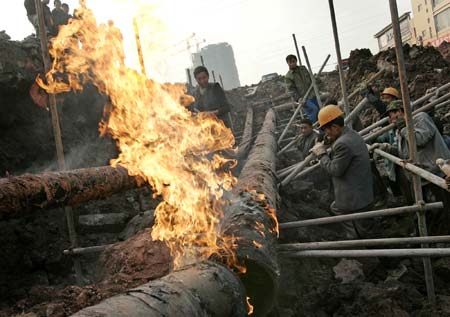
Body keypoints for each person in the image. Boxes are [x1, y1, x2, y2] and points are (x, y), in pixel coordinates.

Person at [375, 100, 450, 234]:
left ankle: (444, 238)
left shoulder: (420, 118)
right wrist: (387, 148)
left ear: (400, 111)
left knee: (445, 208)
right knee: (424, 210)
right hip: (420, 175)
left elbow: (420, 139)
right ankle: (431, 236)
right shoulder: (400, 128)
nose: (390, 118)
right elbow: (404, 151)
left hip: (436, 172)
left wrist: (404, 128)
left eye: (392, 114)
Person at [311, 105, 374, 239]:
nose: (326, 134)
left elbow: (335, 170)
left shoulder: (343, 144)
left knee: (365, 232)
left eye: (326, 130)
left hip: (354, 199)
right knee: (338, 208)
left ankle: (360, 245)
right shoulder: (351, 134)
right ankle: (358, 239)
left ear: (334, 127)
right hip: (362, 192)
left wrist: (322, 154)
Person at [192, 66, 233, 131]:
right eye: (199, 79)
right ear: (195, 79)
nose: (202, 81)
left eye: (204, 78)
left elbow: (227, 107)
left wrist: (211, 113)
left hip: (222, 126)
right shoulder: (195, 92)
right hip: (208, 129)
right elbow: (196, 110)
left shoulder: (215, 88)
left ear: (208, 76)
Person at [285, 54, 319, 122]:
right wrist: (298, 99)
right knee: (314, 109)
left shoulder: (303, 69)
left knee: (318, 111)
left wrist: (317, 81)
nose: (292, 63)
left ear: (296, 61)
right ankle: (310, 125)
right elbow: (292, 90)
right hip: (303, 99)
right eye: (290, 62)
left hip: (312, 94)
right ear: (288, 63)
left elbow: (310, 77)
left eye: (293, 61)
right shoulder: (288, 76)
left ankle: (318, 128)